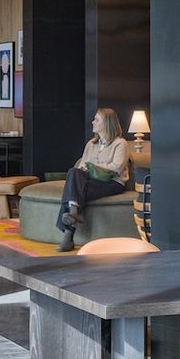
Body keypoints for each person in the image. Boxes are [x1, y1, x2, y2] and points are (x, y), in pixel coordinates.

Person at [57, 107, 129, 251]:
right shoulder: (91, 144)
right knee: (74, 172)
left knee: (74, 191)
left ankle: (68, 236)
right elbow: (82, 164)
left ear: (107, 123)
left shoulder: (120, 143)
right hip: (92, 180)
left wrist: (93, 165)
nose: (92, 122)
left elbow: (117, 168)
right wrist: (88, 167)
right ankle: (73, 212)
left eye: (96, 120)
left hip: (113, 182)